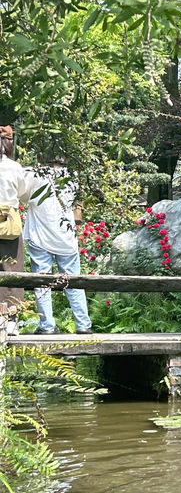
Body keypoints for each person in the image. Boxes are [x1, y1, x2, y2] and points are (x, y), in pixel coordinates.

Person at [23, 160, 92, 335]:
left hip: (40, 238)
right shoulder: (72, 176)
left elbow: (22, 196)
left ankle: (47, 325)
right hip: (66, 239)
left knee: (42, 283)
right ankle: (83, 324)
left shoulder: (34, 175)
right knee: (74, 283)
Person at [0, 125, 32, 336]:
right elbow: (23, 193)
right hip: (8, 221)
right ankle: (10, 320)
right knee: (12, 269)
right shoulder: (13, 167)